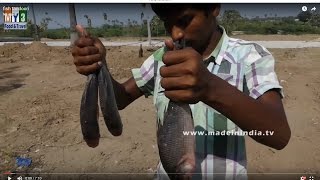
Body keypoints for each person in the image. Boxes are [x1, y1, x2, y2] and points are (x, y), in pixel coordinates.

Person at [72, 4, 291, 180]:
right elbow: (121, 98)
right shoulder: (162, 58)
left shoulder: (249, 56)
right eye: (168, 24)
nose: (176, 33)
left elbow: (279, 135)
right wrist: (101, 64)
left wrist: (210, 88)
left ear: (213, 7)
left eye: (185, 21)